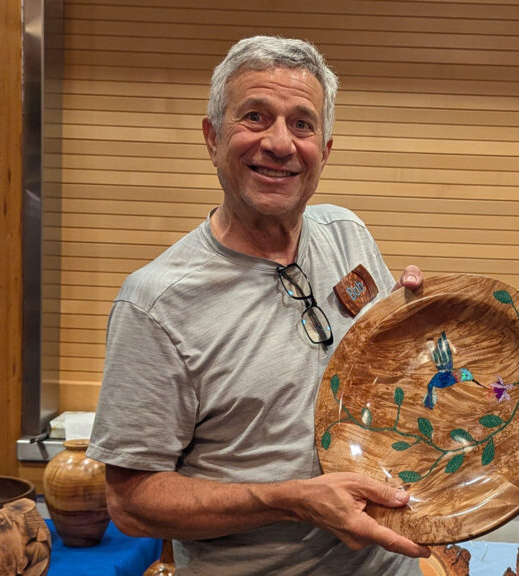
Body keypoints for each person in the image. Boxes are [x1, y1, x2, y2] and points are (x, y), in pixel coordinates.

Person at [86, 36, 430, 575]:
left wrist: (420, 326)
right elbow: (130, 503)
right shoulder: (156, 304)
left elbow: (388, 384)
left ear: (326, 149)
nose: (280, 143)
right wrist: (289, 499)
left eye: (302, 124)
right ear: (212, 136)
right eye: (255, 116)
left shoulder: (348, 235)